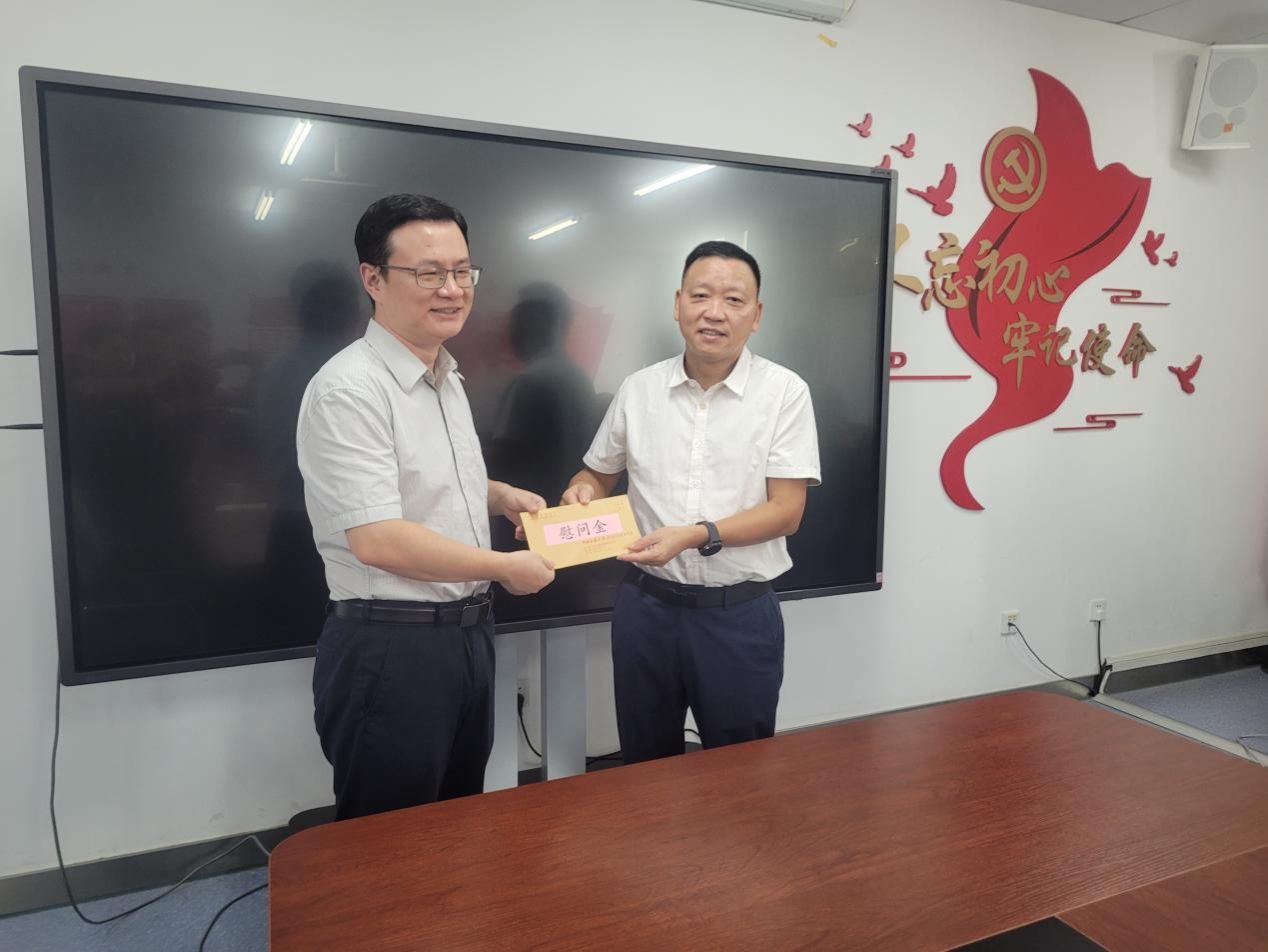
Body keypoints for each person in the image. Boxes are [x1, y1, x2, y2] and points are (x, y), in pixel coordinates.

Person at [298, 194, 555, 819]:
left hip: (466, 638)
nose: (452, 289)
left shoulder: (445, 375)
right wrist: (504, 567)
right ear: (373, 279)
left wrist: (499, 495)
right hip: (390, 646)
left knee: (455, 825)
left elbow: (425, 481)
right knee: (389, 840)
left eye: (463, 271)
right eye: (429, 273)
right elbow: (377, 538)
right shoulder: (349, 389)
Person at [562, 240, 820, 764]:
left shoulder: (784, 393)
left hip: (737, 614)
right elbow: (596, 473)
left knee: (740, 769)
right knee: (644, 764)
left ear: (756, 315)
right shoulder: (638, 389)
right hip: (645, 610)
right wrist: (582, 491)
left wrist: (697, 536)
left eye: (733, 300)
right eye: (700, 296)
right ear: (677, 303)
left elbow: (786, 511)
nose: (714, 312)